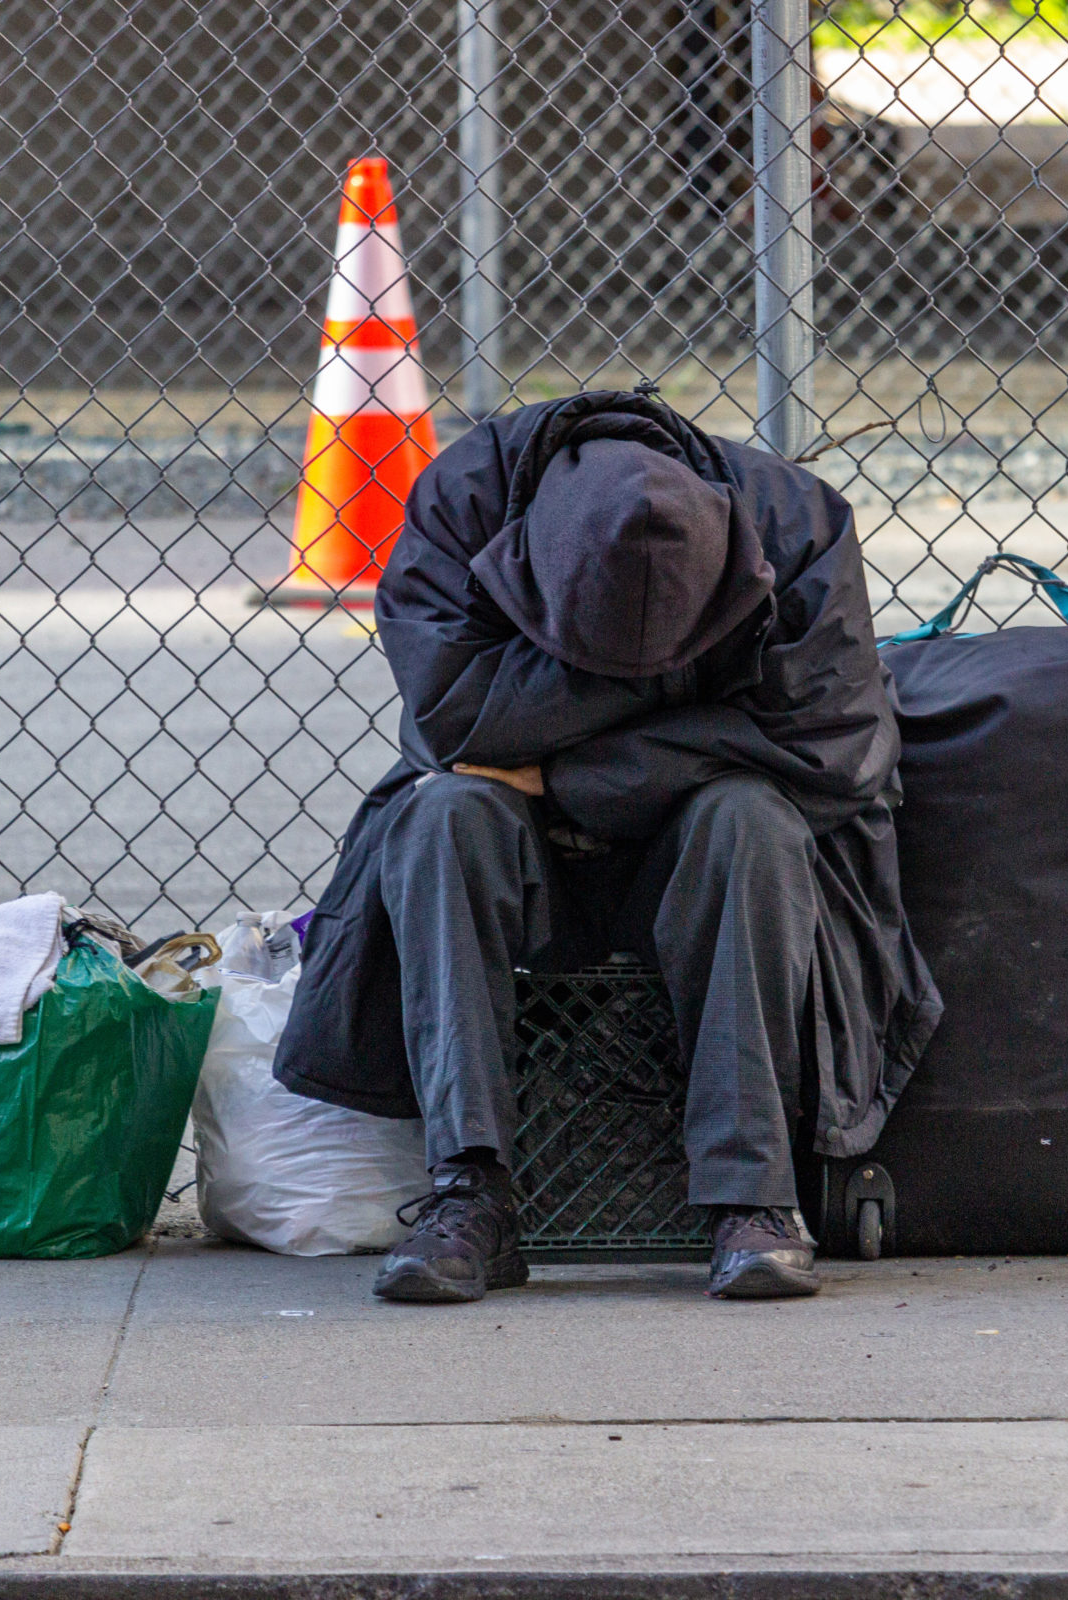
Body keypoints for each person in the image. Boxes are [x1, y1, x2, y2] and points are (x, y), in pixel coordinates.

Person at [274, 391, 940, 1302]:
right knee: (441, 816)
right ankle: (470, 1190)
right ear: (524, 571)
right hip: (526, 852)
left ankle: (753, 1198)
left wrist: (555, 764)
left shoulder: (799, 522)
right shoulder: (462, 502)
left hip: (697, 848)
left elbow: (836, 750)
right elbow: (451, 723)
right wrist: (699, 700)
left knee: (754, 817)